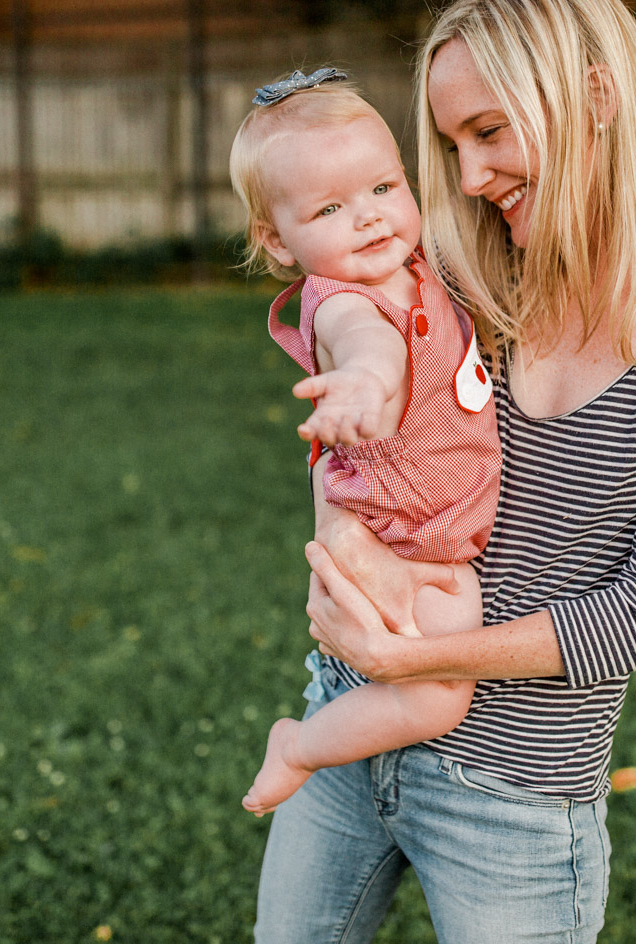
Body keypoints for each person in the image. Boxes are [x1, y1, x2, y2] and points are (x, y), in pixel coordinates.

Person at [254, 0, 636, 943]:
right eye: (451, 145)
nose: (468, 178)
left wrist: (415, 654)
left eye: (489, 132)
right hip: (346, 723)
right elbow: (353, 407)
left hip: (514, 795)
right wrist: (344, 555)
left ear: (594, 92)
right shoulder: (452, 268)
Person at [227, 69, 498, 816]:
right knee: (438, 699)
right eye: (330, 208)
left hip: (438, 537)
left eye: (384, 188)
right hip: (397, 535)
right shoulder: (341, 300)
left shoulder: (419, 269)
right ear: (278, 241)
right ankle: (303, 746)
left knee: (432, 681)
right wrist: (362, 385)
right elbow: (368, 345)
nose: (371, 218)